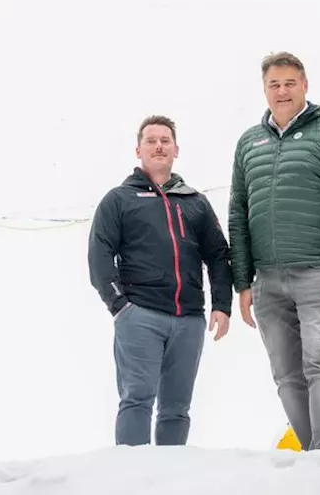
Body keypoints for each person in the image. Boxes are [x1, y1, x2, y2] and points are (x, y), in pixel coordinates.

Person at [228, 51, 320, 451]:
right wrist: (243, 281)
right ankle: (313, 459)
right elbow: (238, 212)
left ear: (305, 85)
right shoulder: (249, 143)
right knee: (286, 373)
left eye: (290, 83)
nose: (282, 91)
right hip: (268, 281)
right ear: (264, 90)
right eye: (274, 84)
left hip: (319, 275)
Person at [88, 115, 233, 446]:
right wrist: (120, 306)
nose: (158, 146)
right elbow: (99, 255)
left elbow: (218, 255)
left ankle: (171, 480)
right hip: (140, 316)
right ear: (138, 150)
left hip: (189, 320)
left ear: (176, 150)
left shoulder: (194, 202)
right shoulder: (119, 200)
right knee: (137, 400)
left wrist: (221, 305)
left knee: (177, 409)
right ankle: (133, 480)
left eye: (165, 141)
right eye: (151, 141)